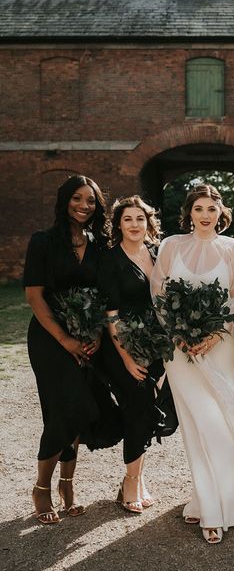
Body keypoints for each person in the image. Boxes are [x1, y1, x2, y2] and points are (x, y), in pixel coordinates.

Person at [151, 184, 234, 544]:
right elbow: (158, 294)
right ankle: (207, 503)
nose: (206, 215)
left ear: (220, 212)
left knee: (222, 421)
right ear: (189, 213)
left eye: (212, 208)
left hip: (221, 345)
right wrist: (177, 332)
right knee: (198, 424)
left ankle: (223, 503)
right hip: (180, 350)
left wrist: (218, 331)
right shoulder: (170, 246)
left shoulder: (232, 248)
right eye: (199, 208)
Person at [24, 175, 120, 525]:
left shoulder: (99, 244)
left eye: (91, 200)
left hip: (88, 337)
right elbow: (34, 296)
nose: (84, 206)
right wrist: (64, 339)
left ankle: (68, 486)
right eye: (77, 198)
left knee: (81, 410)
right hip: (50, 340)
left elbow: (103, 294)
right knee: (65, 408)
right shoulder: (44, 242)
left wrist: (94, 332)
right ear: (65, 201)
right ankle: (42, 488)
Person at [98, 196, 164, 514]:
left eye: (140, 218)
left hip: (156, 346)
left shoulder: (157, 252)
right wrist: (127, 357)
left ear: (147, 222)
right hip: (123, 347)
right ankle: (131, 482)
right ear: (119, 225)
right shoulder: (110, 260)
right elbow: (111, 315)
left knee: (148, 411)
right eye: (128, 219)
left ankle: (136, 478)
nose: (135, 224)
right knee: (138, 408)